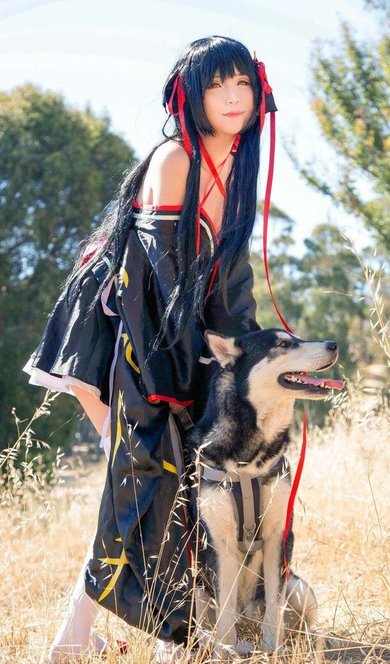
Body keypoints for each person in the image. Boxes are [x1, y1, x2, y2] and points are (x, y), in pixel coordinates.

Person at [24, 35, 278, 662]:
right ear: (190, 95)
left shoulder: (236, 166)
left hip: (166, 337)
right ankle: (153, 639)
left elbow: (229, 286)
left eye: (242, 83)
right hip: (123, 335)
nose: (233, 96)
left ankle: (87, 640)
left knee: (151, 486)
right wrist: (182, 380)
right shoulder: (175, 159)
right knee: (142, 483)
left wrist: (250, 356)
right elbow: (160, 285)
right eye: (217, 84)